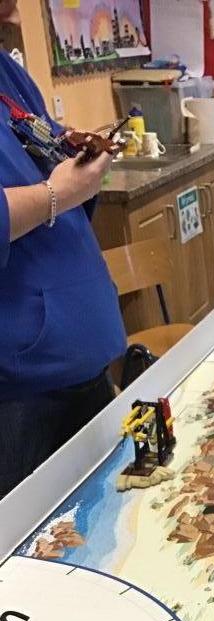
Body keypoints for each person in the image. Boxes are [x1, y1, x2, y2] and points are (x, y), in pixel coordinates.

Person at [0, 0, 126, 499]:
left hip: (80, 362)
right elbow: (49, 193)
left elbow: (44, 151)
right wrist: (57, 194)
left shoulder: (8, 71)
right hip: (24, 390)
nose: (16, 13)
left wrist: (77, 155)